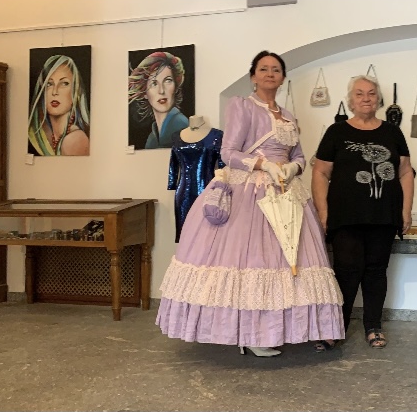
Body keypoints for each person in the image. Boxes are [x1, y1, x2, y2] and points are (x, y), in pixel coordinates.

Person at [156, 50, 345, 356]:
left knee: (286, 262)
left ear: (283, 78)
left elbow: (299, 155)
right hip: (251, 192)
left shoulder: (289, 116)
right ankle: (249, 334)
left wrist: (292, 167)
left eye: (276, 70)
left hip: (286, 192)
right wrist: (262, 165)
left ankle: (271, 330)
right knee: (252, 261)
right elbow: (228, 152)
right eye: (264, 69)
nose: (270, 74)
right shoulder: (242, 106)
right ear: (253, 76)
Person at [312, 75, 414, 349]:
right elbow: (320, 172)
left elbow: (405, 172)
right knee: (346, 271)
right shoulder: (336, 132)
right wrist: (323, 212)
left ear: (378, 99)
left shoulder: (392, 133)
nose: (366, 98)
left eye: (371, 93)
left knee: (376, 271)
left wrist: (406, 210)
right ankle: (336, 328)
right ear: (351, 100)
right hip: (345, 216)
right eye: (359, 94)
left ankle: (373, 326)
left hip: (383, 215)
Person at [167, 115, 226, 243]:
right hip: (183, 193)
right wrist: (172, 182)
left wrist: (225, 186)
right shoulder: (176, 136)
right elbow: (173, 163)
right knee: (185, 233)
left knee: (207, 234)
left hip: (207, 190)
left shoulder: (217, 135)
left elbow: (223, 166)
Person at [28, 55, 90, 156]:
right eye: (49, 84)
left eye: (64, 83)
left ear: (76, 91)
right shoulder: (36, 134)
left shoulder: (75, 139)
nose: (54, 92)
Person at [128, 51, 189, 149]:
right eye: (154, 84)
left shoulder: (181, 126)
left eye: (168, 80)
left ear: (176, 87)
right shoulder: (152, 139)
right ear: (145, 93)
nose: (161, 91)